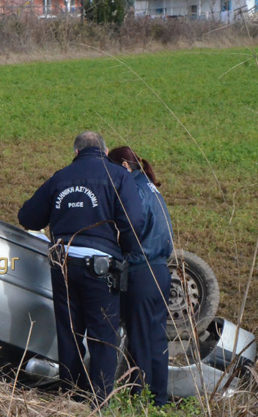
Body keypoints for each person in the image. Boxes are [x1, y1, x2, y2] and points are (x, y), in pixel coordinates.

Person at [18, 131, 144, 404]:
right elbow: (133, 221)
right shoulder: (118, 176)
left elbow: (27, 216)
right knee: (103, 337)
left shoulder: (60, 177)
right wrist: (128, 254)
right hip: (101, 268)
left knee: (69, 334)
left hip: (62, 264)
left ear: (76, 153)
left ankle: (69, 398)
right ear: (105, 150)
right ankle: (99, 403)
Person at [108, 146, 173, 406]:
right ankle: (158, 400)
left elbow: (130, 228)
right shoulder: (150, 187)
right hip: (159, 270)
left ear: (124, 165)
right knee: (155, 339)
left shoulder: (132, 189)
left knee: (141, 342)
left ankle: (143, 402)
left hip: (140, 269)